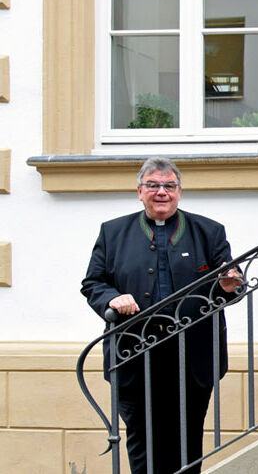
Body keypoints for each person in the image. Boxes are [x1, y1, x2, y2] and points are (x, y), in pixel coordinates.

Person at [81, 157, 242, 474]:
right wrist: (113, 299)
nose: (161, 192)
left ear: (179, 191)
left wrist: (228, 285)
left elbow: (231, 283)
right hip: (135, 354)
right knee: (142, 441)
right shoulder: (113, 233)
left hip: (191, 355)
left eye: (169, 185)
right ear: (139, 191)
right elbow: (93, 283)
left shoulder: (209, 231)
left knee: (186, 441)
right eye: (153, 185)